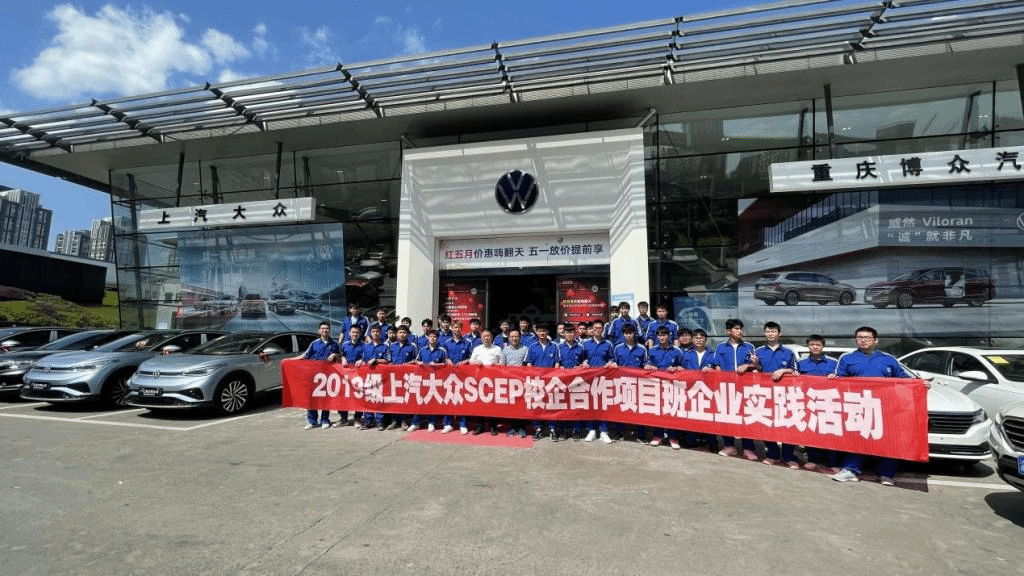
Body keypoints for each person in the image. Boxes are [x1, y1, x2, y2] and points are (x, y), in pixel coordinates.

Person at [829, 326, 917, 486]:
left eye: (867, 337)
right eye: (860, 337)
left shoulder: (889, 359)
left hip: (885, 407)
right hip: (858, 406)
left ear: (875, 340)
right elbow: (839, 381)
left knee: (888, 440)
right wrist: (834, 378)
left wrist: (921, 385)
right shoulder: (847, 358)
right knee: (857, 439)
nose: (863, 340)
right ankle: (851, 470)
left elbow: (904, 380)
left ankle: (886, 474)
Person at [710, 318, 759, 460]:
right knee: (727, 417)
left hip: (745, 389)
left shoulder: (749, 346)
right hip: (727, 388)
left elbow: (757, 366)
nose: (740, 331)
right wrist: (719, 385)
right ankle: (729, 446)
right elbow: (717, 366)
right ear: (728, 331)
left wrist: (749, 365)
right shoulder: (721, 347)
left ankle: (748, 448)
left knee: (746, 417)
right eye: (736, 329)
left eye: (741, 329)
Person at [755, 321, 799, 467]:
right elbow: (756, 370)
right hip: (765, 394)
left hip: (785, 395)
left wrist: (783, 370)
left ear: (779, 333)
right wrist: (754, 364)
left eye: (774, 331)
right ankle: (773, 454)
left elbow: (795, 371)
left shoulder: (788, 352)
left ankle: (789, 456)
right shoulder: (758, 352)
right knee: (767, 424)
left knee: (788, 425)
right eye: (768, 331)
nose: (771, 334)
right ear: (764, 333)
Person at [797, 334, 840, 473]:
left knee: (831, 434)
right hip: (809, 402)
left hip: (829, 403)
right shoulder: (800, 363)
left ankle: (832, 462)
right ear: (808, 346)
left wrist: (836, 377)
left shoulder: (834, 363)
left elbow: (842, 379)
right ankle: (813, 459)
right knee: (812, 432)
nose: (815, 347)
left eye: (818, 345)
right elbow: (795, 381)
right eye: (812, 344)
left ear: (823, 346)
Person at [295, 321, 340, 430]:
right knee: (312, 398)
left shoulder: (334, 344)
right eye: (323, 328)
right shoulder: (314, 343)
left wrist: (335, 355)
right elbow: (304, 356)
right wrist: (289, 360)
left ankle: (325, 420)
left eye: (327, 328)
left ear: (329, 330)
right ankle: (312, 421)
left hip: (328, 375)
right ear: (319, 331)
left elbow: (339, 357)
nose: (325, 330)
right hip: (314, 375)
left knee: (325, 399)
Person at [645, 326, 683, 448]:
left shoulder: (677, 351)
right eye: (660, 335)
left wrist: (677, 368)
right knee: (658, 411)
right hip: (657, 385)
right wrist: (649, 366)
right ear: (657, 337)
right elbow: (647, 363)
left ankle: (673, 438)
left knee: (672, 410)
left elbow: (682, 366)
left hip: (673, 386)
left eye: (664, 335)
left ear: (669, 336)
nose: (662, 337)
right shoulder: (652, 350)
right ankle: (658, 436)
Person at [408, 329, 451, 432]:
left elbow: (446, 364)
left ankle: (432, 422)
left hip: (437, 380)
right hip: (424, 379)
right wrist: (420, 363)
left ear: (437, 338)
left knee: (433, 401)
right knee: (421, 401)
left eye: (434, 337)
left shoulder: (442, 350)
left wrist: (437, 365)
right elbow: (417, 361)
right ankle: (415, 423)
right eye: (431, 336)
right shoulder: (422, 349)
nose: (433, 338)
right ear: (428, 337)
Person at [613, 323, 648, 442]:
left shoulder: (642, 348)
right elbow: (614, 362)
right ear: (623, 334)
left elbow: (646, 363)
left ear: (634, 333)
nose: (629, 335)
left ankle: (641, 435)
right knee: (620, 408)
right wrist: (613, 364)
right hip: (622, 383)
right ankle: (619, 433)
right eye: (626, 333)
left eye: (631, 333)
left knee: (639, 409)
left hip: (638, 384)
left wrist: (648, 366)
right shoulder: (618, 348)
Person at [525, 323, 560, 440]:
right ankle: (538, 429)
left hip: (550, 381)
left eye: (544, 331)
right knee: (537, 405)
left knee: (551, 405)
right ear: (536, 332)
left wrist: (552, 375)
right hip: (537, 381)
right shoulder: (532, 346)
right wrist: (533, 374)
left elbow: (557, 362)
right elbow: (529, 362)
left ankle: (552, 429)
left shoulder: (554, 346)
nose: (542, 333)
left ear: (547, 332)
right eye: (540, 331)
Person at [583, 319, 615, 444]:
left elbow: (612, 358)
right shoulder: (585, 344)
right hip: (589, 379)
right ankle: (591, 430)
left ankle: (603, 431)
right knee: (590, 404)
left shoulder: (608, 344)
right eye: (595, 328)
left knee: (603, 405)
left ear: (603, 329)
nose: (597, 330)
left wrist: (610, 362)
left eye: (599, 328)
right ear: (591, 329)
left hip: (604, 378)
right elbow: (582, 358)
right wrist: (584, 362)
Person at [557, 322, 589, 440]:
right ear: (564, 334)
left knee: (576, 406)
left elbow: (585, 360)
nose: (569, 335)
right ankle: (564, 430)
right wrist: (560, 367)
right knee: (564, 405)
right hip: (563, 380)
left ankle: (576, 430)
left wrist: (582, 364)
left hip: (577, 381)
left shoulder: (581, 346)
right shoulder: (559, 347)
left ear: (575, 333)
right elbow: (557, 362)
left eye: (571, 332)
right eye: (567, 332)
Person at [441, 321, 473, 434]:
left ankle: (463, 424)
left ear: (462, 329)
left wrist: (465, 361)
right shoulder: (446, 342)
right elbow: (442, 356)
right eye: (455, 327)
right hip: (449, 375)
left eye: (459, 327)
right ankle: (448, 424)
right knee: (448, 398)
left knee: (462, 399)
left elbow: (472, 357)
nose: (457, 329)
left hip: (463, 375)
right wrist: (447, 360)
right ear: (452, 328)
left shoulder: (468, 342)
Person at [469, 329, 503, 435]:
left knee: (492, 403)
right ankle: (480, 425)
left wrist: (496, 365)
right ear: (481, 338)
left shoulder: (497, 349)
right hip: (479, 380)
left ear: (492, 337)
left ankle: (493, 426)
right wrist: (476, 363)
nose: (486, 338)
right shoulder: (477, 349)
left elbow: (503, 364)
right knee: (479, 403)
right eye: (484, 336)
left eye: (488, 336)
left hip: (493, 380)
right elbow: (470, 362)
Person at [357, 324, 390, 430]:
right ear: (370, 333)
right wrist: (361, 361)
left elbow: (387, 360)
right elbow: (364, 359)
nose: (375, 333)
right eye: (373, 331)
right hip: (368, 377)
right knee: (368, 398)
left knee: (380, 399)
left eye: (377, 331)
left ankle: (380, 422)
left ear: (380, 333)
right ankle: (368, 420)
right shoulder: (366, 346)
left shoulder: (385, 346)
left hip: (381, 377)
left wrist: (376, 360)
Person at [387, 325, 419, 430]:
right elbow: (388, 360)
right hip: (394, 377)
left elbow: (417, 361)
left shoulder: (412, 346)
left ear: (407, 334)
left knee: (405, 399)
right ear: (397, 334)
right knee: (394, 399)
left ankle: (404, 421)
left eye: (404, 333)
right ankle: (394, 421)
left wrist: (409, 364)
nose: (402, 334)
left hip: (407, 378)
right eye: (400, 332)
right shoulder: (391, 346)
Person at [501, 328, 530, 438]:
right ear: (509, 338)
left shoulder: (525, 349)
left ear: (520, 337)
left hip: (522, 381)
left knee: (522, 404)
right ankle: (513, 427)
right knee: (512, 405)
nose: (514, 338)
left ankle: (522, 427)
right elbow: (502, 366)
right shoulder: (505, 350)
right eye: (512, 336)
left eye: (516, 336)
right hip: (510, 381)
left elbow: (528, 365)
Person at [336, 325, 365, 427]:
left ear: (360, 334)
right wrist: (342, 358)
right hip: (345, 376)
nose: (354, 334)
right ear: (349, 333)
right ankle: (343, 418)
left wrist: (362, 360)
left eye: (357, 332)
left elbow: (367, 357)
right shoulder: (344, 345)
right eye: (353, 332)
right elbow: (339, 355)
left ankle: (358, 418)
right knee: (344, 396)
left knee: (358, 396)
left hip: (358, 376)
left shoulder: (364, 346)